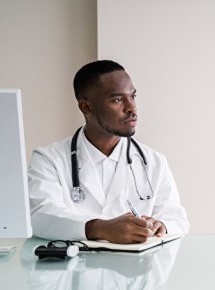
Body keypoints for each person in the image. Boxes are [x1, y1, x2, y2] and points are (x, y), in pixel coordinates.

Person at [28, 60, 190, 243]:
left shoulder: (153, 161)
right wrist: (100, 229)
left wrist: (162, 224)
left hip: (137, 270)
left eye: (133, 97)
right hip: (74, 269)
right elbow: (41, 216)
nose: (132, 108)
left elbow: (177, 219)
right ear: (86, 107)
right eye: (118, 100)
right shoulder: (49, 160)